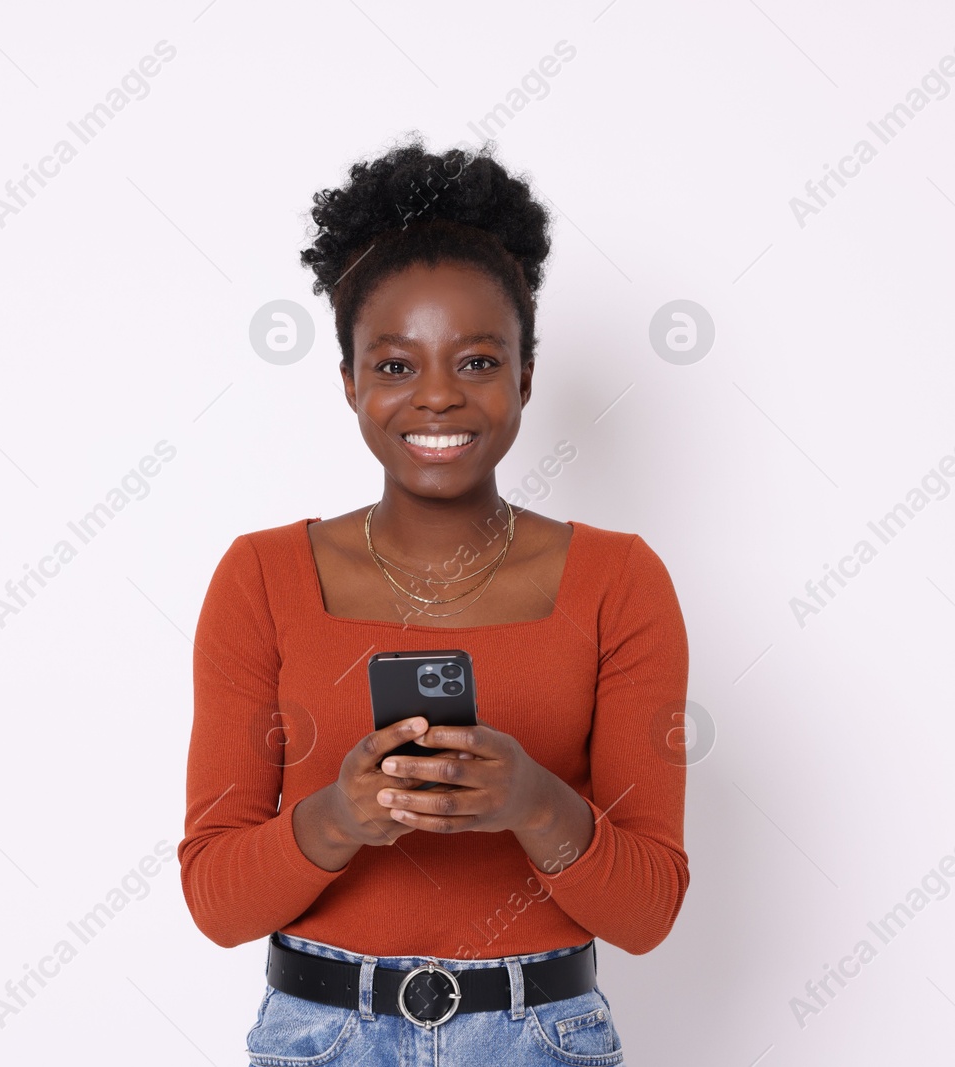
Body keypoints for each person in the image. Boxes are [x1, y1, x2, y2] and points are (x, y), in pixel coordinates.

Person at [178, 135, 690, 1066]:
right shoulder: (261, 577)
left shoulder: (621, 581)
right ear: (350, 383)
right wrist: (338, 817)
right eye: (397, 365)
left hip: (542, 1035)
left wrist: (534, 801)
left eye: (480, 362)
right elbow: (215, 898)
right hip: (321, 1035)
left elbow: (649, 908)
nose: (440, 398)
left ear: (527, 375)